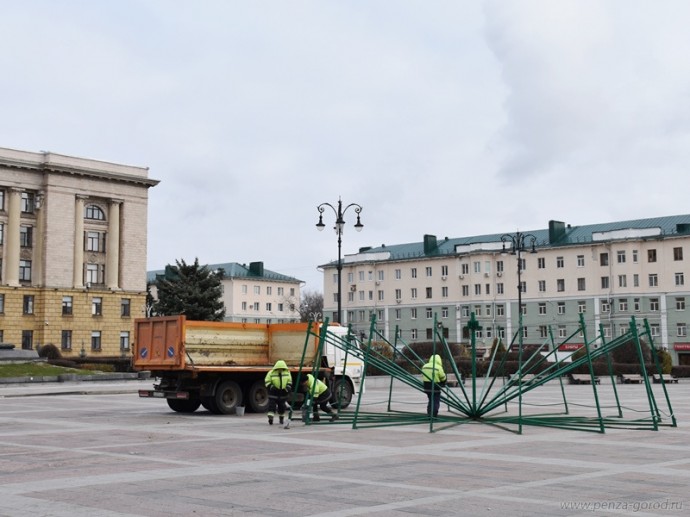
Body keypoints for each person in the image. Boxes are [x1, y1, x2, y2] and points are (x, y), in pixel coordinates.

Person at [264, 359, 292, 425]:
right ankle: (270, 417)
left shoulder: (287, 373)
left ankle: (281, 418)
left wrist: (288, 387)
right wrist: (271, 387)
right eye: (279, 368)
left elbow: (289, 381)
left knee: (282, 406)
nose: (280, 370)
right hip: (273, 392)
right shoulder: (271, 372)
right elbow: (267, 380)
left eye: (281, 368)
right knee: (272, 406)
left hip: (283, 393)